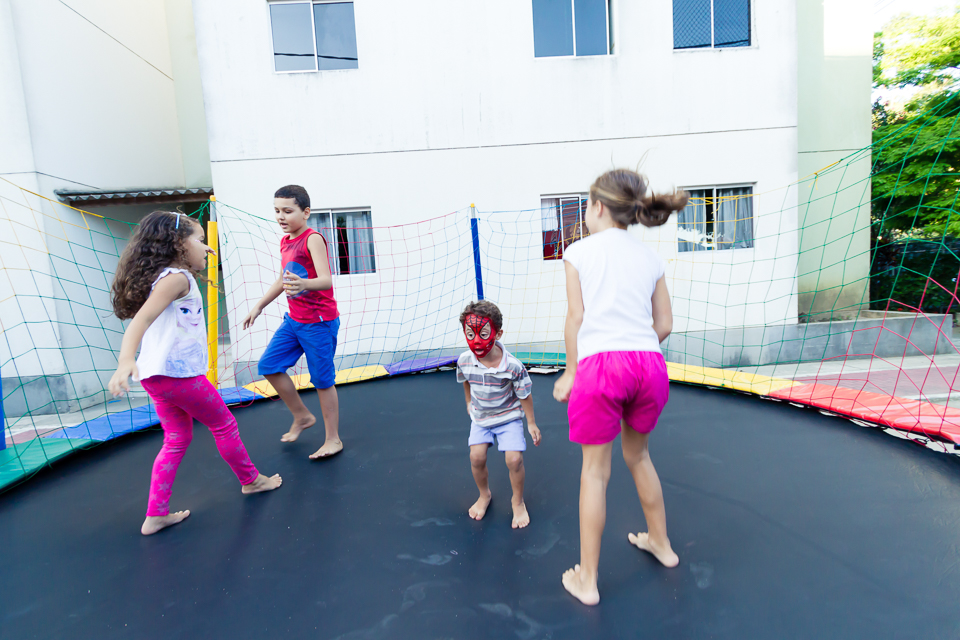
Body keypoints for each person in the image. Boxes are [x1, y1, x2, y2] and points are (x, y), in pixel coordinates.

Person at [552, 169, 688, 605]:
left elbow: (576, 318)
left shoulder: (578, 252)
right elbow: (664, 324)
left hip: (601, 367)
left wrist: (572, 371)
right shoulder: (650, 258)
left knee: (595, 471)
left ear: (597, 206)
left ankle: (588, 580)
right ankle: (662, 544)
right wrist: (636, 348)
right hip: (649, 364)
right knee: (639, 455)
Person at [108, 211, 282, 536]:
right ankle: (251, 480)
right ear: (177, 244)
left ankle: (156, 514)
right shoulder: (177, 278)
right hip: (179, 375)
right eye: (201, 241)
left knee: (177, 438)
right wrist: (124, 359)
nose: (207, 247)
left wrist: (197, 252)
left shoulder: (164, 276)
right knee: (224, 425)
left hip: (156, 376)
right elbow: (141, 320)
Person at [242, 185, 343, 460]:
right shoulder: (285, 241)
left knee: (322, 380)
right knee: (269, 366)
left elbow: (326, 280)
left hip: (319, 322)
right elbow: (282, 279)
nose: (280, 216)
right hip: (294, 321)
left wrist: (304, 284)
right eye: (277, 211)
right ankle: (302, 416)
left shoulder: (313, 239)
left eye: (287, 211)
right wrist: (259, 305)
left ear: (305, 212)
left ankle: (333, 439)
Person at [456, 301, 541, 528]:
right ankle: (484, 495)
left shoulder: (513, 366)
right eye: (470, 334)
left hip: (508, 416)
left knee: (514, 459)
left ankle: (517, 502)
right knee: (476, 457)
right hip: (481, 417)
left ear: (498, 333)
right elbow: (466, 380)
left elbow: (525, 394)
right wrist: (468, 401)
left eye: (484, 334)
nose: (476, 340)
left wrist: (531, 423)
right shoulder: (464, 360)